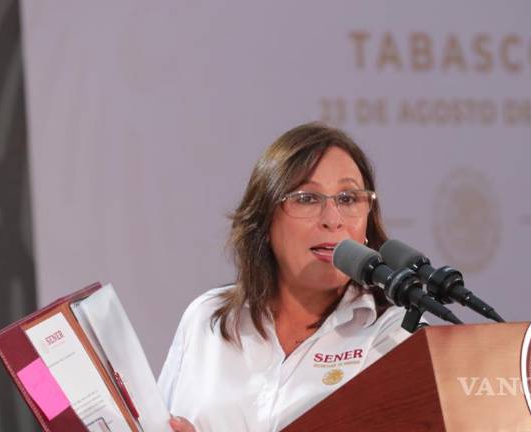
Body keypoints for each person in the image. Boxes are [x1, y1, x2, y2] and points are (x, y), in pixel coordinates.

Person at [159, 123, 411, 431]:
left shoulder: (396, 333)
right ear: (265, 220)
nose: (333, 220)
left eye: (348, 199)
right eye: (307, 198)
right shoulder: (207, 317)